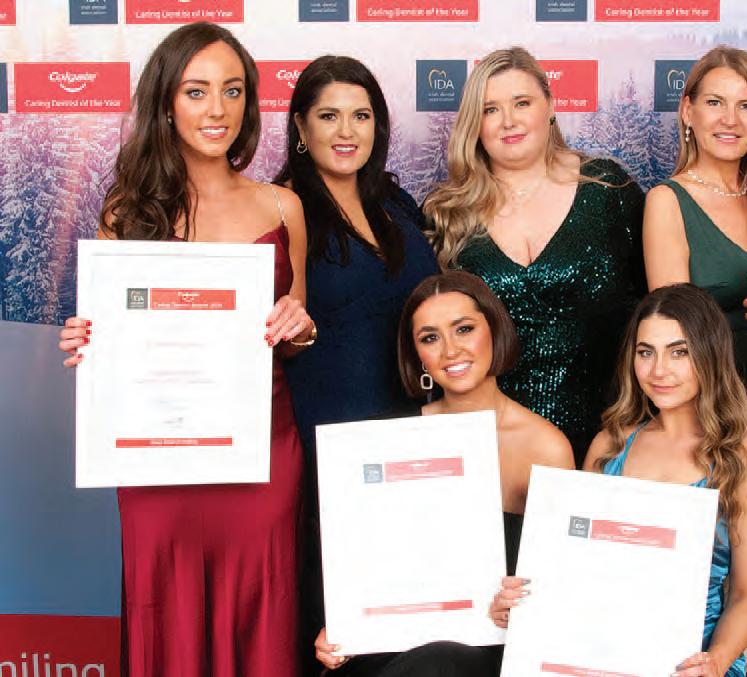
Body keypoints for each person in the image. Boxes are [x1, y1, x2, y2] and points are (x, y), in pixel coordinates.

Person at [57, 22, 309, 676]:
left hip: (260, 452)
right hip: (157, 459)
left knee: (262, 610)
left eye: (233, 90)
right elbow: (109, 338)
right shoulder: (127, 210)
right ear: (167, 102)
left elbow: (296, 331)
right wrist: (88, 341)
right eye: (197, 91)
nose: (217, 109)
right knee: (164, 609)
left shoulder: (284, 207)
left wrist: (300, 327)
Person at [491, 284, 747, 676]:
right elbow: (574, 571)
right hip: (600, 650)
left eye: (679, 352)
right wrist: (521, 603)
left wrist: (716, 662)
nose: (659, 370)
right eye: (646, 352)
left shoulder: (746, 466)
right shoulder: (609, 446)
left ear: (710, 353)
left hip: (692, 661)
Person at [313, 271, 574, 675]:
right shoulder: (386, 439)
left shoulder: (545, 448)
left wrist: (521, 602)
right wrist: (342, 628)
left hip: (488, 648)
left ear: (494, 330)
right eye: (430, 338)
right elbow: (364, 564)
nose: (450, 350)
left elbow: (562, 588)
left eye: (464, 329)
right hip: (395, 640)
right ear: (417, 355)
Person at [273, 55, 438, 669]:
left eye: (361, 116)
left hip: (413, 442)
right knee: (342, 637)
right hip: (330, 453)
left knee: (413, 624)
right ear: (300, 126)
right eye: (328, 116)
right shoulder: (281, 208)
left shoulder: (396, 203)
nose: (346, 132)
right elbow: (265, 329)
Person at [641, 46, 747, 676]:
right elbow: (674, 329)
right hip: (718, 422)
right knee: (711, 601)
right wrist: (738, 418)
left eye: (746, 105)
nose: (730, 119)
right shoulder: (666, 200)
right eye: (714, 102)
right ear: (687, 112)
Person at [423, 46, 645, 466]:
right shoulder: (448, 214)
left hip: (609, 434)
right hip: (492, 445)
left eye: (521, 103)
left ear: (551, 106)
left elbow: (662, 307)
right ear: (475, 125)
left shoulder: (609, 191)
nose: (508, 120)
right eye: (490, 110)